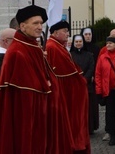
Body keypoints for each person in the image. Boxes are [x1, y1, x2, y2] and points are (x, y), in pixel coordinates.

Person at [0, 5, 55, 154]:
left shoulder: (32, 46)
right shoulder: (17, 51)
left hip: (38, 110)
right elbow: (24, 91)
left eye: (41, 23)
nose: (39, 27)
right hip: (24, 114)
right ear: (23, 26)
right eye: (35, 23)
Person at [46, 20, 90, 153]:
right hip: (65, 93)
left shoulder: (59, 46)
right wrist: (80, 81)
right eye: (65, 31)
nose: (67, 34)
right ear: (55, 32)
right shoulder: (53, 47)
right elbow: (66, 73)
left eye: (67, 31)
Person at [70, 33, 97, 137]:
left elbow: (91, 68)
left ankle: (89, 128)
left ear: (83, 42)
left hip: (87, 85)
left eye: (80, 41)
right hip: (74, 85)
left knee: (88, 108)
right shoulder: (70, 55)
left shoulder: (89, 55)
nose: (78, 43)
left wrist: (85, 79)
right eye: (76, 42)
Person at [81, 27, 100, 133]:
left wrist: (93, 75)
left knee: (92, 104)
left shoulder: (96, 48)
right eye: (86, 34)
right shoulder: (80, 47)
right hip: (83, 78)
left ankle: (92, 125)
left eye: (89, 34)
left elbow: (98, 63)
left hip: (93, 79)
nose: (88, 36)